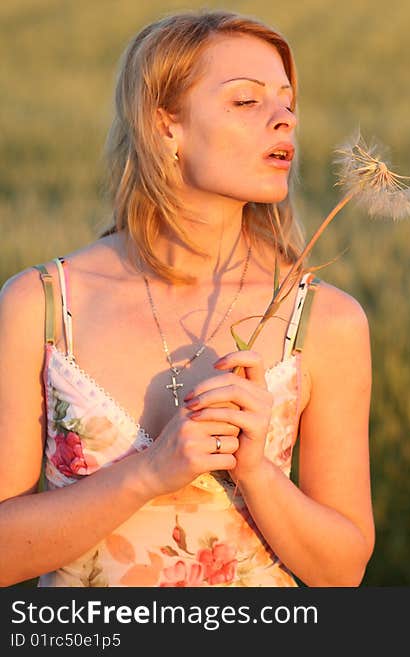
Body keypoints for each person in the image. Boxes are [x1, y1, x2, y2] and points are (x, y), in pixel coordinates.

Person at [0, 10, 374, 587]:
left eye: (287, 102)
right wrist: (149, 472)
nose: (284, 121)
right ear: (165, 125)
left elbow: (343, 572)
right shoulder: (42, 306)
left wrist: (256, 472)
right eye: (247, 102)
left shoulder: (325, 320)